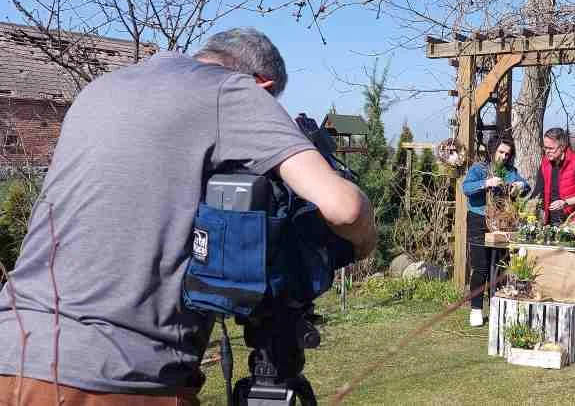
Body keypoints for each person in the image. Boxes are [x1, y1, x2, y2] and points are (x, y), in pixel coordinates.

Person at [0, 28, 376, 404]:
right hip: (117, 375)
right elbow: (344, 208)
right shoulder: (232, 92)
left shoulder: (102, 89)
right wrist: (361, 245)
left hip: (12, 350)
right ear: (263, 84)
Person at [461, 135, 528, 326]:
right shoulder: (479, 169)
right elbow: (466, 188)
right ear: (493, 151)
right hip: (478, 219)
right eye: (501, 152)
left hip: (501, 222)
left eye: (507, 154)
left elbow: (525, 186)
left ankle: (497, 307)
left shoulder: (510, 172)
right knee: (481, 266)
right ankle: (475, 309)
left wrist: (519, 186)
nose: (504, 157)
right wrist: (486, 183)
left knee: (499, 265)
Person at [530, 127, 575, 226]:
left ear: (562, 147)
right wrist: (527, 206)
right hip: (552, 221)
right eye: (545, 148)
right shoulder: (545, 162)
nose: (547, 151)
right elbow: (538, 190)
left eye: (551, 148)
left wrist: (565, 202)